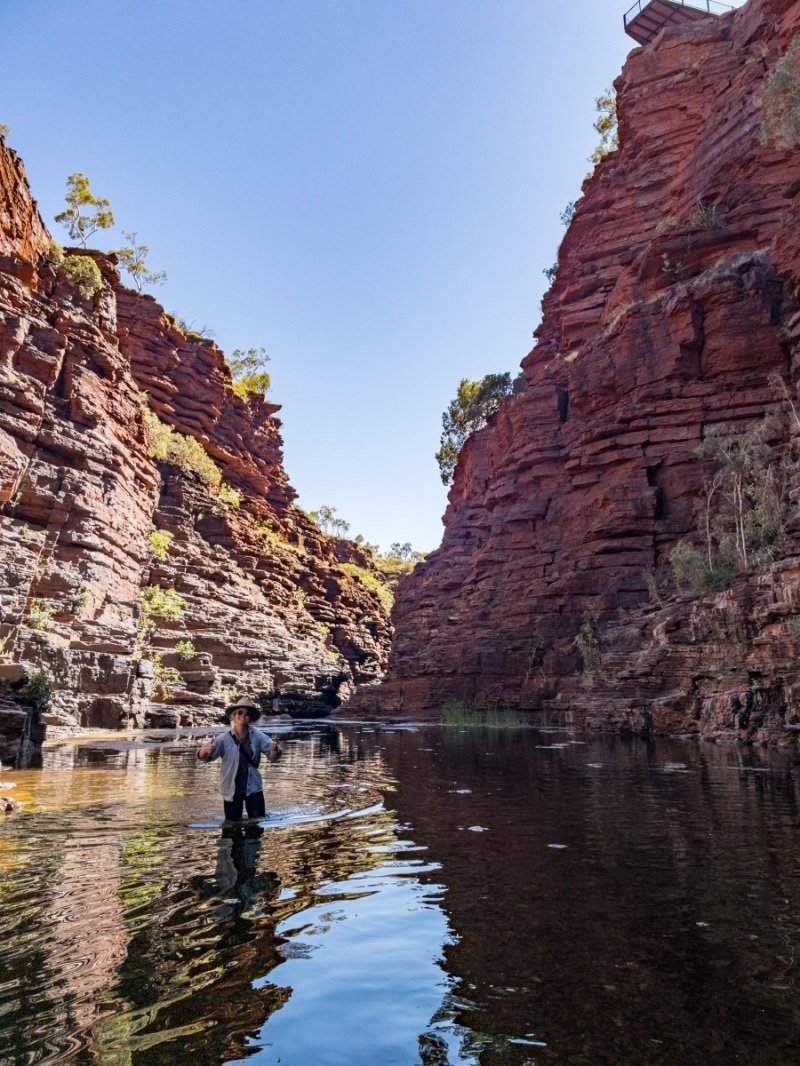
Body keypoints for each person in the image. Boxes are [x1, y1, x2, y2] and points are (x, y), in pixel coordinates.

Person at [197, 702, 281, 821]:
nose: (243, 715)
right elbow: (205, 757)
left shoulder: (258, 736)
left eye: (247, 714)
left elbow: (273, 756)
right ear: (233, 716)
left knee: (257, 825)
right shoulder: (223, 739)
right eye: (239, 712)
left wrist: (276, 750)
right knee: (231, 827)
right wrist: (204, 750)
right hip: (231, 789)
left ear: (250, 718)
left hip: (253, 787)